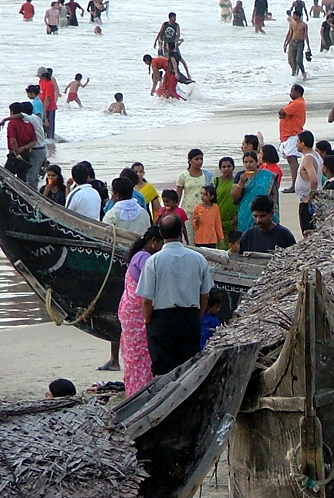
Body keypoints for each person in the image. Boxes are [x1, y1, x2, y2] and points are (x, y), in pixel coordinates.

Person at [137, 214, 214, 377]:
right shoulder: (198, 259)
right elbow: (205, 295)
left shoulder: (153, 261)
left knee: (162, 373)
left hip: (162, 320)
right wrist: (196, 315)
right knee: (188, 370)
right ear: (181, 231)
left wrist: (149, 321)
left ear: (161, 233)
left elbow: (146, 300)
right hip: (189, 318)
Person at [119, 227, 163, 397]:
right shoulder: (145, 259)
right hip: (136, 314)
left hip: (129, 311)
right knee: (141, 355)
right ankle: (140, 392)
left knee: (134, 355)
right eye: (161, 243)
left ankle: (133, 391)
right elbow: (149, 291)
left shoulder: (139, 255)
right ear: (153, 242)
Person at [231, 150, 277, 232]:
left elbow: (273, 193)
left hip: (264, 209)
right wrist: (241, 183)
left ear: (256, 162)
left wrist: (271, 207)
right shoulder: (240, 175)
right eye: (245, 162)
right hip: (246, 212)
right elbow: (234, 197)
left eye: (251, 161)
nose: (248, 164)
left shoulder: (267, 175)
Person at [278, 84, 307, 192]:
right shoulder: (298, 103)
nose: (290, 93)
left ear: (298, 92)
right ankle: (296, 183)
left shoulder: (297, 103)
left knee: (292, 159)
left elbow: (282, 112)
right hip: (289, 135)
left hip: (292, 135)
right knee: (291, 159)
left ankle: (295, 184)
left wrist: (284, 115)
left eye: (292, 91)